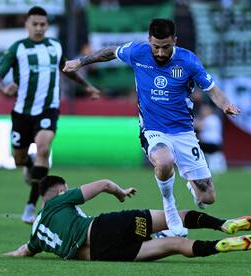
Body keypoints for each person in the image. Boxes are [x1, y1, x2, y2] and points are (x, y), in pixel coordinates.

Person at [63, 18, 240, 237]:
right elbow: (109, 52)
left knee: (207, 198)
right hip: (153, 129)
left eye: (166, 47)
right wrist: (81, 61)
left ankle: (190, 186)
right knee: (164, 162)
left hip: (184, 132)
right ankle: (170, 207)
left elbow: (212, 90)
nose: (160, 53)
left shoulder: (188, 61)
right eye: (156, 46)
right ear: (149, 41)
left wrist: (225, 106)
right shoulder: (138, 52)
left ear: (175, 41)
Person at [0, 6, 101, 224]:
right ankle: (28, 166)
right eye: (35, 24)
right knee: (19, 159)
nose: (39, 28)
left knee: (43, 148)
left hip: (48, 109)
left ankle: (31, 207)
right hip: (22, 112)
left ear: (47, 25)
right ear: (27, 25)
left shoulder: (54, 46)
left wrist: (88, 87)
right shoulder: (18, 49)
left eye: (43, 24)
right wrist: (3, 88)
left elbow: (66, 70)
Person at [3, 175, 251, 261]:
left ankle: (218, 247)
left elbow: (24, 251)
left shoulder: (37, 234)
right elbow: (103, 184)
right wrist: (120, 194)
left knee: (175, 245)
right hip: (103, 228)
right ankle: (223, 225)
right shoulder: (59, 200)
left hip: (103, 255)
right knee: (175, 218)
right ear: (59, 192)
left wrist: (9, 255)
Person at [195, 103, 227, 174]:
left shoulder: (212, 118)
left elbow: (198, 126)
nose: (202, 111)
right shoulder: (212, 118)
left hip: (211, 145)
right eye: (202, 110)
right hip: (210, 144)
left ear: (210, 110)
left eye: (204, 110)